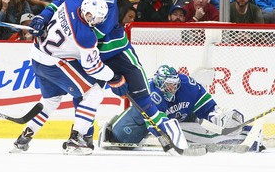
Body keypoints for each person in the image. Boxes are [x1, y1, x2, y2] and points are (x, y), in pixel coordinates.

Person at [27, 0, 201, 156]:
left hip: (118, 54)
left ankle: (165, 132)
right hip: (94, 57)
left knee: (142, 99)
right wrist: (42, 19)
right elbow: (57, 4)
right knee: (85, 94)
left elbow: (103, 29)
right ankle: (84, 136)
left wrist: (76, 34)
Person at [10, 0, 128, 155]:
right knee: (94, 93)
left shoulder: (72, 3)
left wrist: (40, 19)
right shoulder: (86, 36)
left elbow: (55, 4)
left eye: (100, 18)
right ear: (87, 12)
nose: (97, 22)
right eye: (95, 18)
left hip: (38, 56)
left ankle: (23, 139)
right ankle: (75, 140)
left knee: (50, 101)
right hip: (53, 63)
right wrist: (113, 77)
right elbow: (92, 68)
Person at [98, 64, 265, 152]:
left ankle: (247, 134)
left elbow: (207, 107)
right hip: (150, 120)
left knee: (206, 133)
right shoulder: (151, 92)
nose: (173, 88)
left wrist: (217, 119)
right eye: (169, 85)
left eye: (175, 84)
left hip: (183, 118)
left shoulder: (187, 85)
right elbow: (157, 127)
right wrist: (167, 138)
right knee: (118, 139)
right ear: (160, 83)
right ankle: (112, 129)